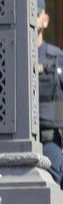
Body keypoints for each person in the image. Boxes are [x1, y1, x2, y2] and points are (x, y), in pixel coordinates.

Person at [40, 0, 63, 188]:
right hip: (18, 143)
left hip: (51, 140)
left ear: (45, 20)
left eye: (36, 13)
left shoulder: (57, 58)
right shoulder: (10, 55)